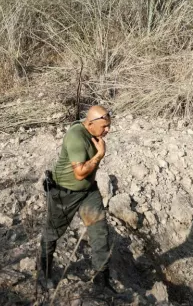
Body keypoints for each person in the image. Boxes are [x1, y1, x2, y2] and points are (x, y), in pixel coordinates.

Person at [38, 105, 114, 293]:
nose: (108, 130)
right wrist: (99, 155)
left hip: (88, 192)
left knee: (100, 233)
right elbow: (79, 173)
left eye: (109, 125)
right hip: (65, 193)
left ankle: (101, 280)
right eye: (104, 126)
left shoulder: (94, 132)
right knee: (52, 233)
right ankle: (43, 274)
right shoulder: (76, 137)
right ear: (90, 123)